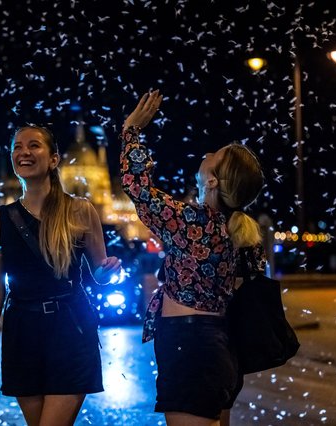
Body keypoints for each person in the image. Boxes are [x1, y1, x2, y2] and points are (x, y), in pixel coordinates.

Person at [119, 90, 267, 426]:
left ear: (212, 180)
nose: (208, 152)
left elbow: (138, 188)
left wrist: (132, 130)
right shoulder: (244, 233)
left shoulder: (195, 222)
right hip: (219, 343)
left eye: (215, 157)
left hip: (190, 344)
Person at [0, 125, 122, 426]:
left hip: (71, 330)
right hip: (23, 334)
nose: (24, 152)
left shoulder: (80, 211)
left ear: (53, 159)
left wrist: (108, 269)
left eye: (34, 146)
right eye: (17, 147)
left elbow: (99, 275)